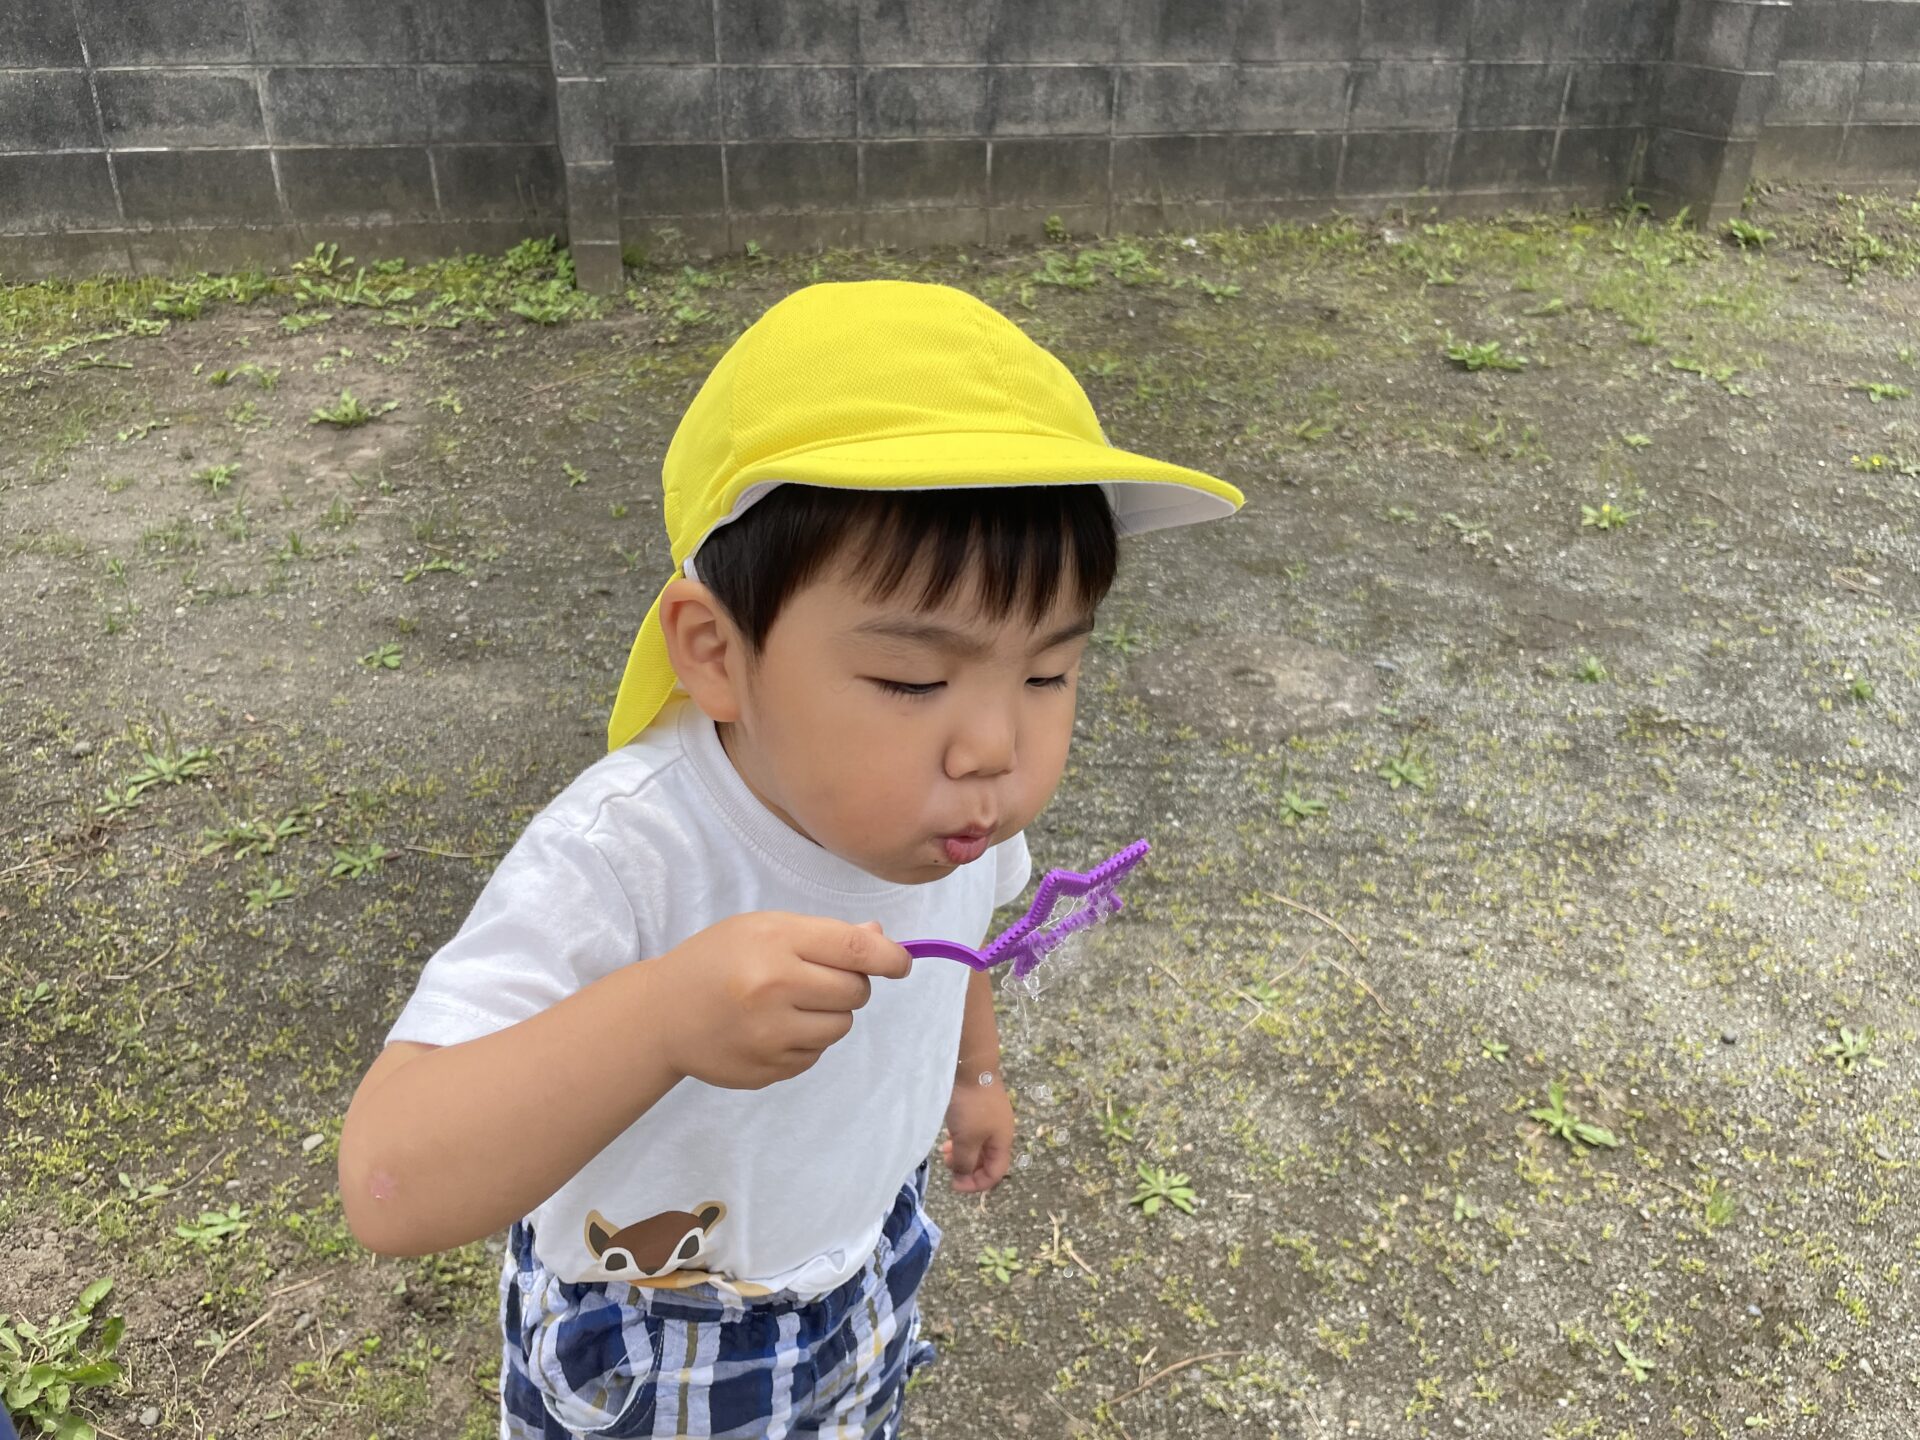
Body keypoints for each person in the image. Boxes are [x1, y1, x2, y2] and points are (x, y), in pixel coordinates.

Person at [336, 278, 1243, 1438]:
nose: (994, 746)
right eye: (913, 679)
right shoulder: (626, 857)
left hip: (861, 1265)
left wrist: (973, 1077)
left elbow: (964, 940)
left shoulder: (955, 817)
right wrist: (663, 1020)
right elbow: (390, 1181)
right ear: (717, 652)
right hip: (658, 1328)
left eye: (1048, 671)